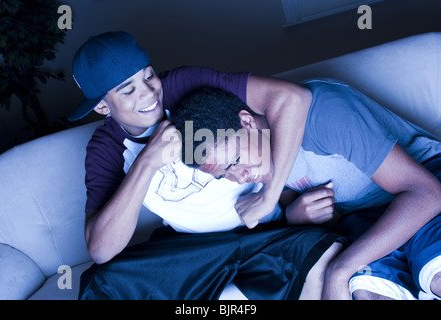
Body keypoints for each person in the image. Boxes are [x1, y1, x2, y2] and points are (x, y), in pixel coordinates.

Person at [69, 31, 344, 299]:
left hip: (265, 233)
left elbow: (292, 99)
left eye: (149, 76)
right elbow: (101, 251)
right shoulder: (106, 148)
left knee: (322, 252)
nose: (149, 94)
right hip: (197, 251)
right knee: (103, 283)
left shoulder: (183, 84)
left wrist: (269, 198)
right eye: (128, 91)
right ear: (103, 107)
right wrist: (147, 162)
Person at [171, 85, 441, 300]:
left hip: (427, 182)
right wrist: (293, 215)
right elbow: (330, 217)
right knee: (364, 293)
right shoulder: (260, 165)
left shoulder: (322, 115)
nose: (239, 177)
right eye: (224, 175)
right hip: (367, 220)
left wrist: (339, 271)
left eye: (234, 162)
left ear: (247, 122)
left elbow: (427, 193)